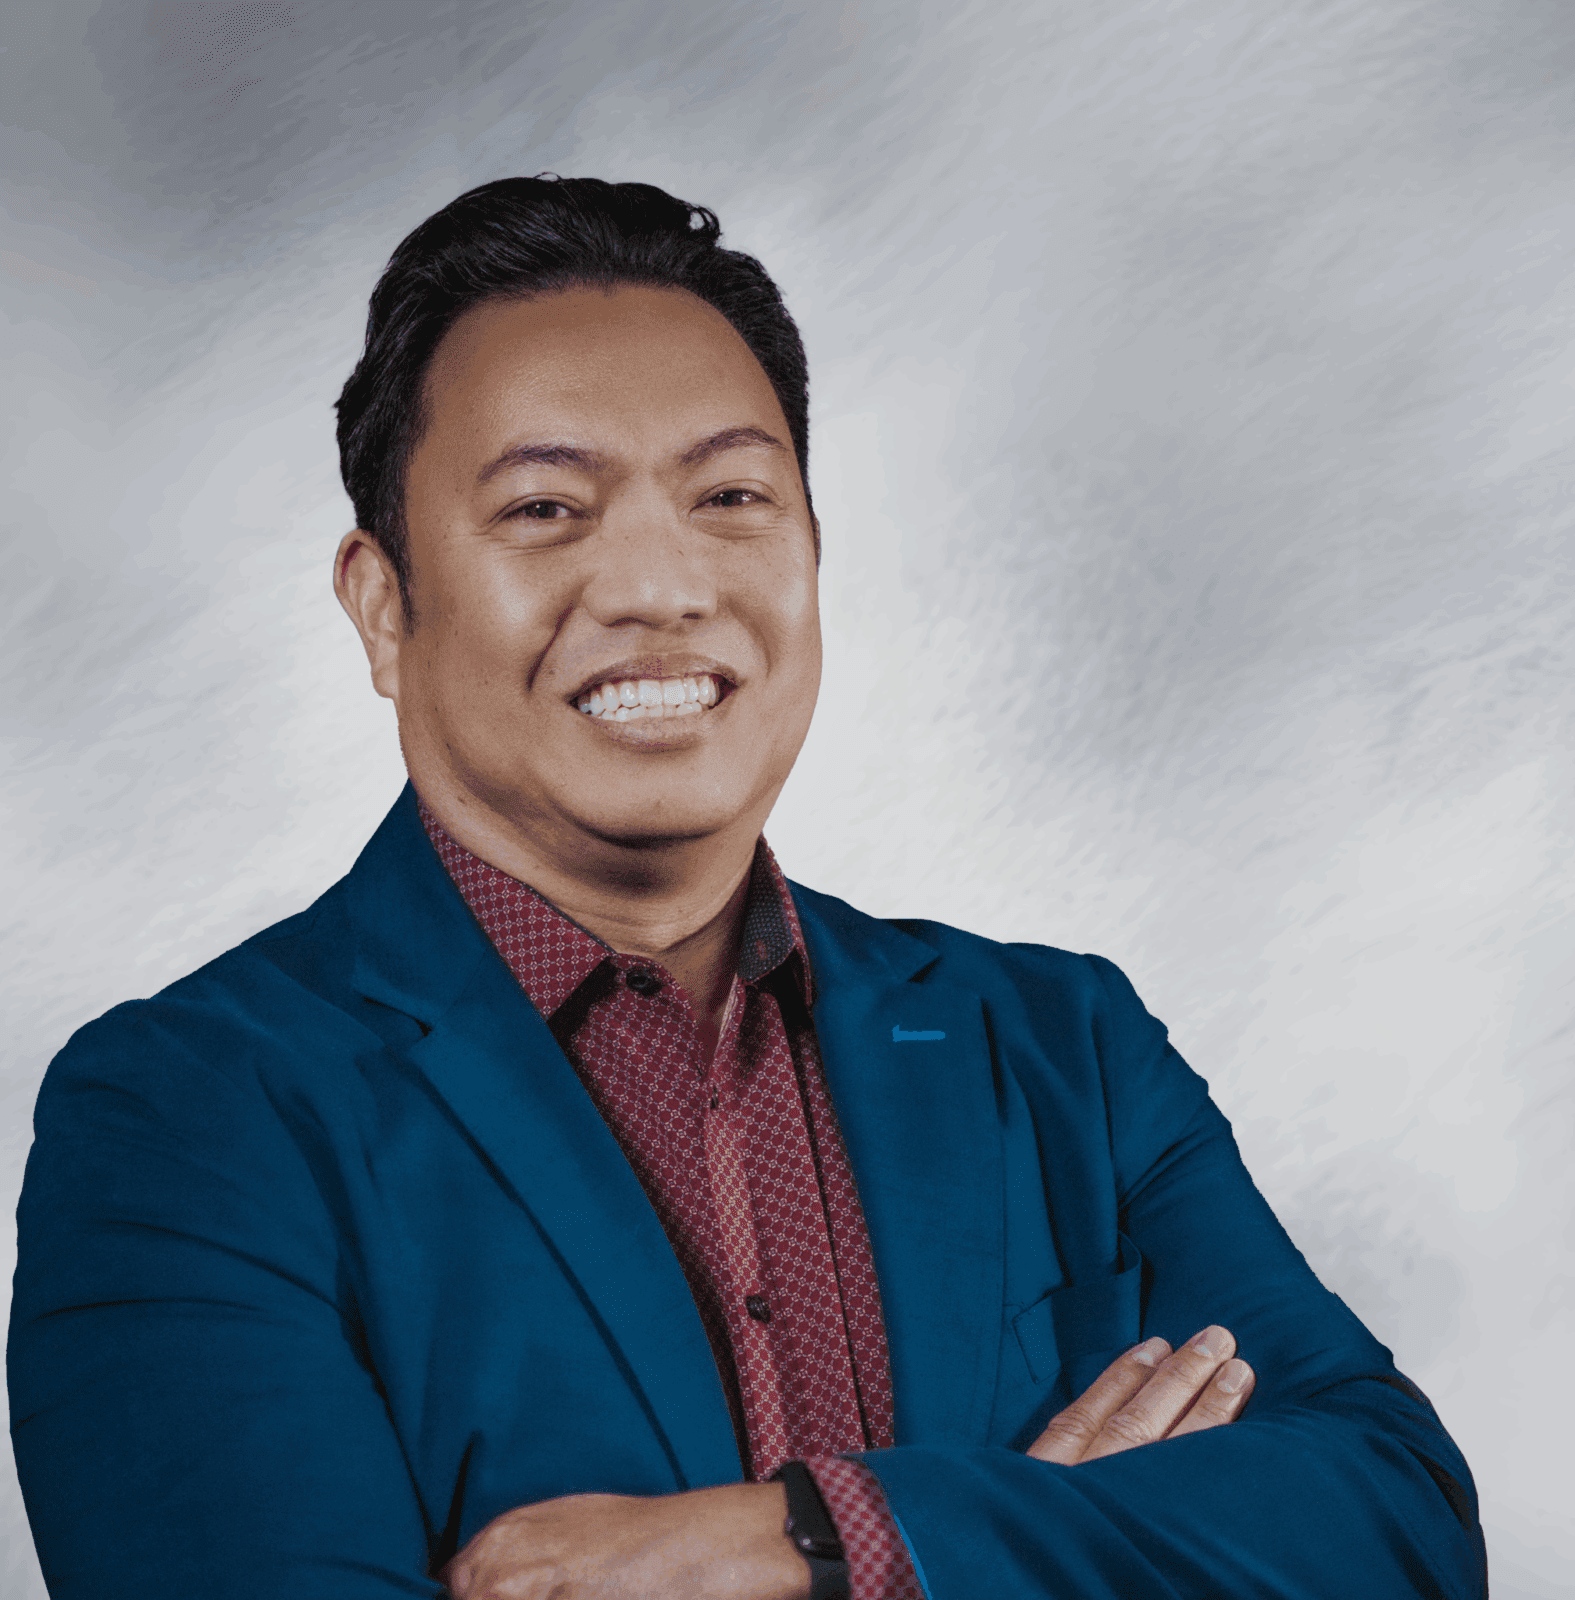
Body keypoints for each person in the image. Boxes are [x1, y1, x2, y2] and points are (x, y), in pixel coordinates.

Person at [8, 177, 1486, 1600]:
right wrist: (1056, 1539)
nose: (660, 588)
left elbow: (1399, 1522)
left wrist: (824, 1542)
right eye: (545, 509)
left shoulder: (1063, 1048)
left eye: (728, 495)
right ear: (383, 605)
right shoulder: (183, 1119)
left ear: (814, 553)